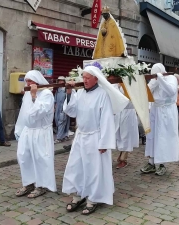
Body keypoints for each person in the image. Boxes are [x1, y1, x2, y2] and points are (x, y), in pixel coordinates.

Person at [62, 66, 117, 215]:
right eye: (83, 77)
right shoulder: (79, 93)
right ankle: (77, 195)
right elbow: (71, 111)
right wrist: (69, 93)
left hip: (95, 138)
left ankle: (93, 199)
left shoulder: (102, 94)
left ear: (96, 79)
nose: (84, 80)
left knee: (94, 170)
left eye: (87, 77)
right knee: (76, 167)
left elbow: (106, 119)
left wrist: (104, 142)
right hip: (81, 136)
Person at [14, 70, 57, 198]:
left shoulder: (46, 94)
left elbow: (40, 113)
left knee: (40, 158)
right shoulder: (27, 94)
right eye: (27, 81)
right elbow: (23, 112)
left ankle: (42, 185)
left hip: (41, 131)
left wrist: (34, 96)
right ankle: (28, 183)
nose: (28, 83)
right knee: (23, 156)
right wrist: (19, 129)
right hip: (28, 130)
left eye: (31, 81)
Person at [140, 63, 179, 176]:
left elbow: (171, 91)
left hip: (166, 111)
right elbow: (147, 91)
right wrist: (153, 81)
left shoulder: (171, 78)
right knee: (152, 137)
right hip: (155, 110)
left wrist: (160, 79)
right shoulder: (154, 79)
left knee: (163, 137)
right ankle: (151, 162)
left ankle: (162, 164)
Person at [113, 84, 139, 169]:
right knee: (119, 135)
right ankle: (121, 154)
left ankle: (123, 159)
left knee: (126, 135)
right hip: (119, 112)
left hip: (128, 112)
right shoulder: (117, 84)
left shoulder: (130, 84)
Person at [54, 76, 74, 143]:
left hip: (64, 109)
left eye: (62, 81)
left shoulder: (66, 90)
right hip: (57, 109)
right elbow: (55, 100)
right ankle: (64, 136)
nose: (60, 82)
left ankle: (59, 138)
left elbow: (69, 99)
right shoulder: (58, 90)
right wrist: (55, 107)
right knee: (58, 122)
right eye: (59, 81)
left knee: (62, 122)